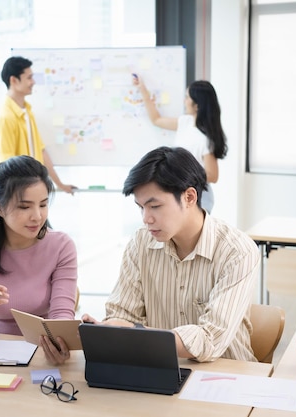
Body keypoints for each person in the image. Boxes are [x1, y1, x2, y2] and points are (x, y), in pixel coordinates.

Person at [81, 146, 260, 363]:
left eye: (155, 206)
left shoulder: (237, 251)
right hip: (161, 369)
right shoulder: (140, 243)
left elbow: (211, 339)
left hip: (227, 375)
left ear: (189, 197)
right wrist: (107, 329)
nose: (146, 218)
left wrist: (136, 333)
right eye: (141, 208)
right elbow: (123, 315)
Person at [0, 155, 78, 364]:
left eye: (43, 205)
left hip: (42, 355)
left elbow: (61, 316)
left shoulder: (61, 246)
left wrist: (60, 344)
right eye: (24, 207)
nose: (37, 216)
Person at [133, 75, 227, 213]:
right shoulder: (185, 122)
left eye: (187, 97)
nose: (184, 101)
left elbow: (213, 175)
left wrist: (181, 174)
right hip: (179, 194)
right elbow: (156, 120)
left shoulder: (206, 139)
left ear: (197, 105)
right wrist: (143, 90)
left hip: (198, 198)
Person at [0, 56, 76, 194]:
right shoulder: (4, 118)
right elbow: (5, 168)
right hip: (15, 197)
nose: (33, 82)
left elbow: (41, 152)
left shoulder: (27, 112)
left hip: (31, 193)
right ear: (13, 80)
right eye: (29, 78)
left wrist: (60, 184)